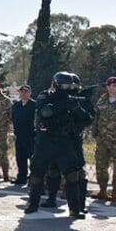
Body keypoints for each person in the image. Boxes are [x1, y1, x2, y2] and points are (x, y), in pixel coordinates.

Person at [24, 71, 92, 219]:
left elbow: (87, 118)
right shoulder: (46, 95)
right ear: (56, 83)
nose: (67, 87)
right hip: (45, 140)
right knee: (37, 173)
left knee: (72, 175)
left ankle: (75, 208)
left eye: (69, 85)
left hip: (64, 141)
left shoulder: (73, 99)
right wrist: (62, 105)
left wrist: (76, 108)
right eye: (64, 84)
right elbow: (44, 112)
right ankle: (32, 203)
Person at [41, 73, 94, 210]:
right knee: (53, 169)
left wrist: (77, 109)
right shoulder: (58, 97)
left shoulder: (82, 99)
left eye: (74, 84)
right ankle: (51, 198)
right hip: (58, 138)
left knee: (78, 173)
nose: (71, 87)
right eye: (69, 85)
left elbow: (89, 119)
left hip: (74, 139)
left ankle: (80, 204)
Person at [11, 85, 36, 185]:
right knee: (20, 158)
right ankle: (21, 177)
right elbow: (13, 118)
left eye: (26, 91)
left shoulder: (34, 105)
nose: (23, 94)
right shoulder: (16, 105)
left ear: (30, 93)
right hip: (19, 135)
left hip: (31, 135)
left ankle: (33, 178)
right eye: (21, 92)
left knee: (32, 157)